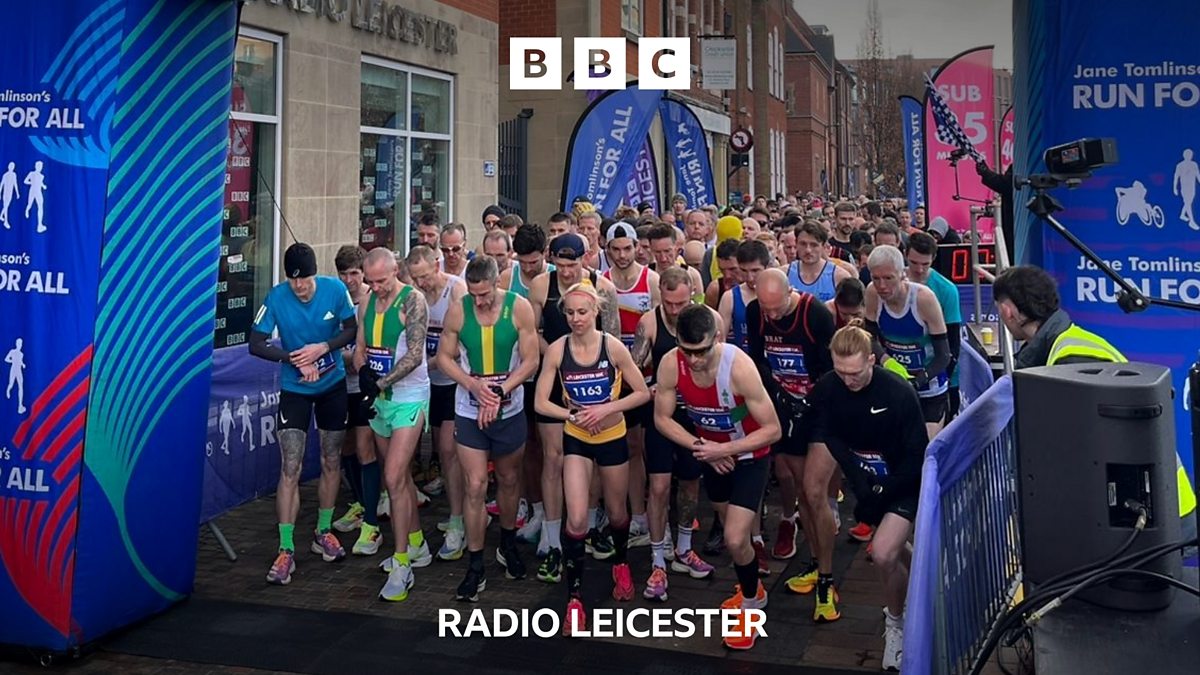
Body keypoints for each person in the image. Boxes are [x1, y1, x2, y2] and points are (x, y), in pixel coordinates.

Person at [993, 266, 1197, 522]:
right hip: (1148, 505)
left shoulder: (1072, 360)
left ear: (1007, 310)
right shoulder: (1067, 347)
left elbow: (1080, 453)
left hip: (1154, 511)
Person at [653, 305, 782, 651]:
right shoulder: (671, 363)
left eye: (702, 351)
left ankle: (753, 607)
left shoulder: (739, 367)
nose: (693, 360)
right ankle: (751, 586)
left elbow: (773, 429)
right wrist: (703, 446)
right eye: (687, 350)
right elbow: (662, 419)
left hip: (749, 456)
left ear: (718, 340)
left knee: (736, 537)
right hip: (713, 454)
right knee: (733, 536)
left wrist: (726, 449)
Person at [808, 323, 929, 671]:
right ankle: (922, 578)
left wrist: (881, 489)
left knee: (883, 553)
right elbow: (830, 436)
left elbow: (916, 457)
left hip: (903, 480)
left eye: (856, 373)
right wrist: (861, 483)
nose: (848, 380)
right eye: (841, 372)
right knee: (898, 553)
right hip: (867, 481)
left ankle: (895, 624)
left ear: (872, 361)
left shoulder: (898, 392)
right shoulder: (830, 387)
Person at [534, 280, 651, 634]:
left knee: (617, 513)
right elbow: (541, 402)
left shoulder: (612, 347)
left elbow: (642, 392)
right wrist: (571, 415)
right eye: (569, 313)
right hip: (577, 439)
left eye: (582, 312)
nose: (575, 319)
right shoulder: (557, 349)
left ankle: (620, 563)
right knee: (577, 521)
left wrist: (606, 409)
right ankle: (574, 600)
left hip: (612, 436)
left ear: (596, 312)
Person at [249, 243, 357, 585]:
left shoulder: (335, 290)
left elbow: (351, 329)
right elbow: (256, 342)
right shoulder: (278, 296)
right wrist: (295, 358)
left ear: (314, 273)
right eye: (293, 280)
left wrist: (323, 349)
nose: (300, 286)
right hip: (295, 389)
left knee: (330, 459)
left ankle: (323, 531)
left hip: (332, 386)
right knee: (290, 467)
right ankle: (285, 549)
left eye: (305, 279)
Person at [434, 256, 540, 601]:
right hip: (469, 410)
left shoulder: (519, 307)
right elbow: (445, 358)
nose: (479, 300)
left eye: (485, 294)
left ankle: (507, 544)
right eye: (474, 294)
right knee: (476, 485)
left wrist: (499, 390)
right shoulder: (459, 309)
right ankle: (475, 563)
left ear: (497, 284)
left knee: (509, 480)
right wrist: (473, 385)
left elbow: (531, 360)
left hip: (508, 409)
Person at [745, 270, 841, 623]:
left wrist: (810, 404)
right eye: (765, 309)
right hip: (783, 406)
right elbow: (757, 359)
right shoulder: (757, 311)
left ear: (792, 293)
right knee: (798, 487)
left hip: (819, 409)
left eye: (777, 309)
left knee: (814, 493)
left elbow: (831, 371)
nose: (770, 316)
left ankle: (828, 580)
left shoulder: (815, 314)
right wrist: (778, 398)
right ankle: (816, 564)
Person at [527, 233, 622, 581]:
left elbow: (612, 339)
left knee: (592, 456)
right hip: (556, 379)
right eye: (561, 265)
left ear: (587, 259)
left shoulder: (603, 287)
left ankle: (589, 521)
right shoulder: (541, 284)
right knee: (554, 458)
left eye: (573, 265)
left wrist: (610, 398)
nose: (566, 273)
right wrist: (557, 352)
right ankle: (553, 541)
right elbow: (531, 330)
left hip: (594, 383)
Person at [630, 267, 721, 601]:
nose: (674, 310)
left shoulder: (709, 320)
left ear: (692, 296)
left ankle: (683, 548)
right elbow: (631, 367)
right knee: (658, 485)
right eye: (668, 303)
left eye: (681, 303)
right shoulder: (650, 322)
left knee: (690, 482)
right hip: (663, 414)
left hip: (696, 415)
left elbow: (721, 363)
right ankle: (657, 559)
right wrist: (650, 387)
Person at [353, 248, 432, 601]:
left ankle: (402, 563)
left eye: (382, 280)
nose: (378, 287)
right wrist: (362, 369)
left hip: (408, 397)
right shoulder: (367, 302)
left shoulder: (412, 300)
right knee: (397, 477)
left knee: (394, 476)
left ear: (396, 271)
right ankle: (418, 544)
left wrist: (381, 382)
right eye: (372, 281)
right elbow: (360, 346)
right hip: (380, 402)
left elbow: (416, 354)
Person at [406, 245, 469, 560]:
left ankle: (459, 521)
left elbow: (460, 343)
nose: (422, 284)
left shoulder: (456, 289)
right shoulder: (414, 295)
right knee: (428, 451)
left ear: (437, 265)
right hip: (426, 384)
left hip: (453, 382)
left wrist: (427, 362)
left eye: (426, 277)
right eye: (416, 279)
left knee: (447, 450)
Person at [601, 222, 660, 547]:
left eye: (628, 248)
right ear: (607, 249)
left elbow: (655, 331)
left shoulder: (650, 281)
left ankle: (640, 513)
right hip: (610, 379)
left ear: (637, 247)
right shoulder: (601, 282)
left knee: (639, 447)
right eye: (616, 249)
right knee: (615, 447)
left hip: (643, 376)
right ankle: (620, 510)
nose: (622, 255)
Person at [499, 224, 555, 543]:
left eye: (534, 262)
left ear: (544, 255)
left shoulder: (553, 277)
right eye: (523, 262)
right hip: (520, 374)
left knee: (552, 448)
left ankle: (554, 512)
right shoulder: (508, 279)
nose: (529, 268)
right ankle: (535, 509)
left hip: (549, 369)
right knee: (527, 446)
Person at [864, 245, 951, 439]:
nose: (882, 286)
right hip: (895, 382)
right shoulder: (872, 293)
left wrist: (918, 381)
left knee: (924, 448)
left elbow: (944, 355)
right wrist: (887, 361)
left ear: (902, 274)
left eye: (888, 278)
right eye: (875, 278)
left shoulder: (923, 298)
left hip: (930, 387)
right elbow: (869, 337)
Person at [330, 246, 382, 540]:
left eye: (354, 273)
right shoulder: (335, 298)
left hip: (365, 384)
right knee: (347, 446)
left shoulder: (372, 299)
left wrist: (357, 360)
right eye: (343, 274)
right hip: (339, 385)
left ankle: (372, 517)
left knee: (365, 448)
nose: (349, 280)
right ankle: (360, 502)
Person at [905, 232, 963, 418]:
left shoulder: (946, 290)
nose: (919, 270)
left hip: (941, 379)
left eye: (925, 264)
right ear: (906, 255)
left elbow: (953, 342)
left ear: (934, 259)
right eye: (914, 263)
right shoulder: (894, 283)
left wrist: (943, 379)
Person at [719, 239, 771, 353]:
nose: (750, 277)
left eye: (755, 271)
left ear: (767, 267)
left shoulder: (780, 294)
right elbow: (720, 341)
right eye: (744, 271)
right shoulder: (730, 297)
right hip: (743, 361)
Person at [788, 221, 852, 302]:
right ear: (796, 244)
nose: (808, 250)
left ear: (824, 246)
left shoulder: (840, 277)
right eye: (803, 244)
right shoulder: (784, 274)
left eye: (814, 245)